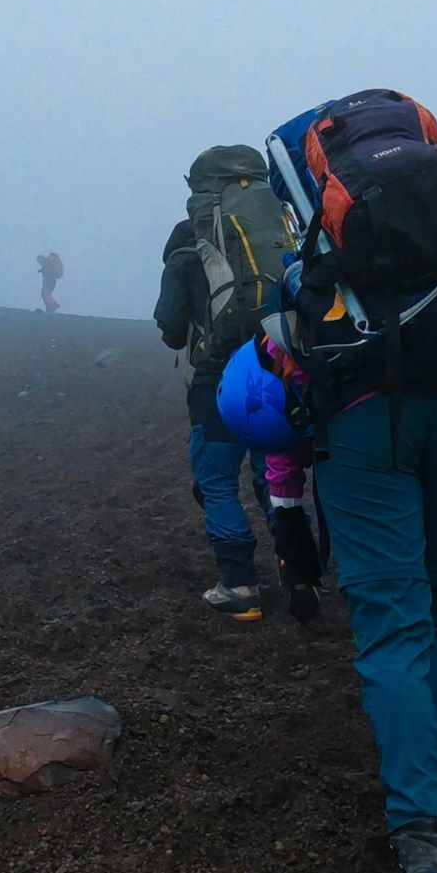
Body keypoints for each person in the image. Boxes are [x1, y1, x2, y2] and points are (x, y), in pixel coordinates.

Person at [257, 90, 437, 873]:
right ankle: (435, 797)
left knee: (391, 632)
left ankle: (429, 853)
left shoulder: (306, 265)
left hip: (362, 437)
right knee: (433, 614)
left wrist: (286, 516)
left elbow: (287, 401)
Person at [154, 219, 275, 621]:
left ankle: (240, 584)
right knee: (272, 476)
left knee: (217, 484)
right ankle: (300, 570)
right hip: (266, 374)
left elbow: (171, 329)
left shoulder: (183, 260)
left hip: (217, 385)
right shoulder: (252, 254)